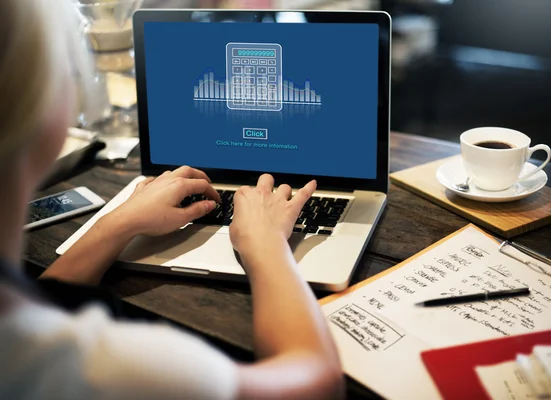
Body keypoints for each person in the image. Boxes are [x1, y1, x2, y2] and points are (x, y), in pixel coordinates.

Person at [0, 1, 343, 398]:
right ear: (44, 110)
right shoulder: (108, 369)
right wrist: (266, 245)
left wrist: (117, 223)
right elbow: (316, 382)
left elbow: (46, 304)